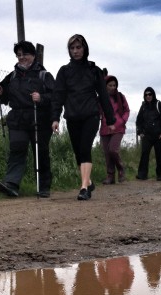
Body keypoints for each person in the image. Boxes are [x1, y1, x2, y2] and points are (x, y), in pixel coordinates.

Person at [51, 34, 115, 200]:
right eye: (72, 48)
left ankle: (84, 188)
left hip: (91, 115)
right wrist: (55, 118)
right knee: (78, 152)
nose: (76, 51)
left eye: (78, 47)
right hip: (72, 116)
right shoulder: (64, 71)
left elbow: (103, 96)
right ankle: (89, 181)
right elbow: (58, 96)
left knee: (85, 148)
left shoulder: (94, 70)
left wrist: (110, 119)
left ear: (85, 48)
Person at [0, 41, 55, 198]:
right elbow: (3, 98)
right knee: (17, 149)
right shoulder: (12, 76)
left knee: (40, 152)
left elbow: (55, 97)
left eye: (25, 54)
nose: (21, 58)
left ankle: (43, 187)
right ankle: (11, 184)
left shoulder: (44, 75)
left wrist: (41, 98)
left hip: (39, 119)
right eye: (18, 55)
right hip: (17, 119)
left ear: (33, 55)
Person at [135, 87, 161, 181]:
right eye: (146, 95)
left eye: (150, 94)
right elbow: (139, 120)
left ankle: (160, 174)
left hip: (159, 135)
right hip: (147, 135)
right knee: (144, 153)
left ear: (153, 95)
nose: (148, 96)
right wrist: (140, 132)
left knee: (159, 154)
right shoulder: (143, 107)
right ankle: (142, 174)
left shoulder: (160, 105)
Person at [99, 75, 130, 184]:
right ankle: (110, 176)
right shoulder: (100, 98)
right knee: (107, 153)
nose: (113, 87)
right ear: (105, 86)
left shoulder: (120, 97)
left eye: (114, 85)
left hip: (118, 127)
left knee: (113, 149)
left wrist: (122, 121)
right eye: (110, 85)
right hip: (105, 128)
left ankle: (121, 168)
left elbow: (127, 110)